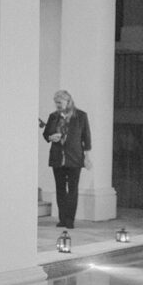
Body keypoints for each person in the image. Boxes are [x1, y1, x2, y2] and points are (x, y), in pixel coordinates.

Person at [43, 90, 92, 229]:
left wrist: (87, 157)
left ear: (68, 101)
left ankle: (70, 220)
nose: (57, 105)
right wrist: (51, 137)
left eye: (59, 102)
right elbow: (46, 134)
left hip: (75, 158)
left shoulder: (81, 116)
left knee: (72, 189)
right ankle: (62, 219)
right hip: (57, 158)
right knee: (60, 189)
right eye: (56, 102)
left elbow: (86, 138)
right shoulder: (53, 117)